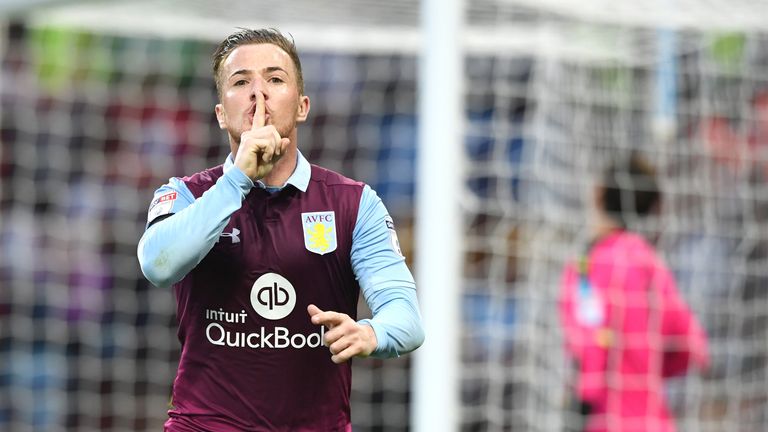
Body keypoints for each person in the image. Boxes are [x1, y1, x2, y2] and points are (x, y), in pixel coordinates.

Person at [137, 28, 424, 431]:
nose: (259, 94)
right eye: (241, 82)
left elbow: (407, 319)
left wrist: (369, 332)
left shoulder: (353, 204)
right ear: (221, 114)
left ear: (302, 106)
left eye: (274, 79)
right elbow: (157, 265)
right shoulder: (186, 195)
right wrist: (237, 180)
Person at [558, 153, 709, 432]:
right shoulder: (652, 265)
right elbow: (692, 345)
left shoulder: (585, 267)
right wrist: (644, 373)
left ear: (598, 194)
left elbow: (589, 345)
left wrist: (580, 412)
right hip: (652, 422)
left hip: (605, 421)